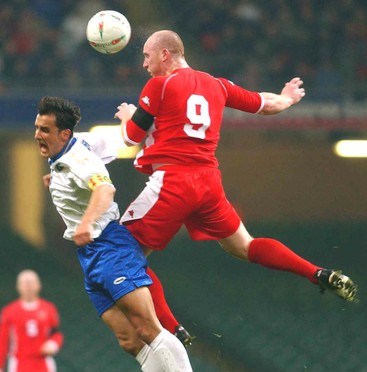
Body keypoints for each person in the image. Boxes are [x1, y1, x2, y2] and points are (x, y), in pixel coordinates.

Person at [114, 30, 357, 302]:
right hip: (208, 183)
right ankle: (318, 273)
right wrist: (287, 98)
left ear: (164, 54)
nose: (144, 64)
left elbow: (129, 138)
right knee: (245, 245)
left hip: (172, 181)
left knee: (121, 254)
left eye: (147, 57)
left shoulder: (159, 86)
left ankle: (172, 332)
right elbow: (266, 105)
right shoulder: (218, 85)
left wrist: (126, 115)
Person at [34, 96, 206, 372]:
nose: (38, 135)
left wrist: (87, 222)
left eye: (45, 130)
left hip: (109, 246)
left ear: (64, 135)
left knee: (149, 328)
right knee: (129, 340)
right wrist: (129, 120)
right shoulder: (78, 146)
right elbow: (116, 143)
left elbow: (104, 188)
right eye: (37, 128)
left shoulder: (78, 160)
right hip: (89, 257)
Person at [0, 269, 63, 372]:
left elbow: (56, 334)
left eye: (31, 282)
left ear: (39, 285)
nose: (28, 286)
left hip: (43, 363)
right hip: (20, 364)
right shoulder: (9, 312)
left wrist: (53, 344)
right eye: (24, 283)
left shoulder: (48, 309)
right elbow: (2, 342)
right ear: (18, 286)